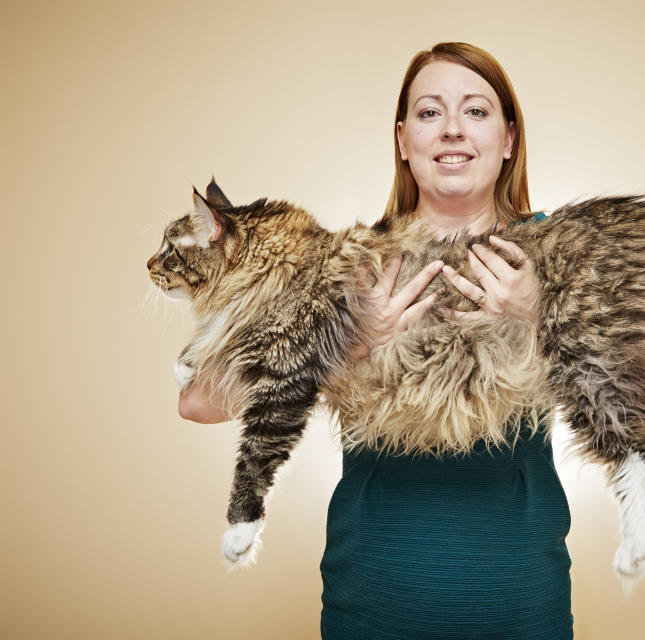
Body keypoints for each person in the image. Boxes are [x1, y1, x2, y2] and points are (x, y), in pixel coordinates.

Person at [178, 42, 573, 639]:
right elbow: (199, 400)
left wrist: (542, 314)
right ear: (402, 139)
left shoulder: (562, 250)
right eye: (429, 112)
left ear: (509, 137)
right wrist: (345, 341)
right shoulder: (347, 262)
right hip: (374, 600)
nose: (451, 131)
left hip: (520, 598)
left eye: (476, 111)